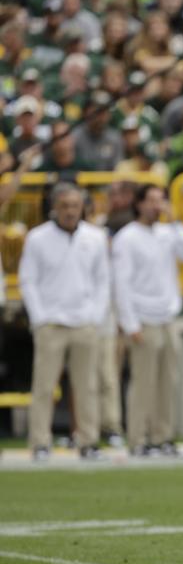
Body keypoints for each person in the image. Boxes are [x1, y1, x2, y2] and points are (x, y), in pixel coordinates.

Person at [19, 182, 111, 461]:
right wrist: (40, 319)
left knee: (87, 386)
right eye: (65, 206)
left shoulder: (94, 238)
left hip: (84, 322)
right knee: (44, 386)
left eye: (75, 206)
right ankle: (40, 443)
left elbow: (102, 281)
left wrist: (95, 316)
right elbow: (28, 280)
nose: (70, 211)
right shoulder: (37, 238)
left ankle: (88, 441)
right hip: (52, 323)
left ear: (83, 208)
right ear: (54, 209)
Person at [112, 184, 183, 456]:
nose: (156, 206)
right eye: (151, 200)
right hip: (143, 318)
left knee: (168, 381)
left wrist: (176, 222)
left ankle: (163, 437)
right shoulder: (126, 238)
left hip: (167, 317)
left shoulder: (168, 232)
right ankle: (138, 439)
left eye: (160, 200)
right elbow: (121, 284)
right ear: (138, 204)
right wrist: (130, 324)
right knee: (143, 382)